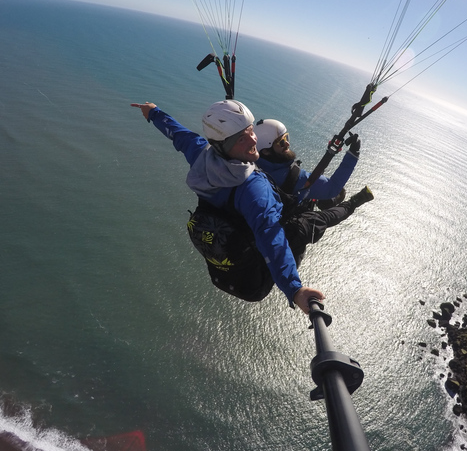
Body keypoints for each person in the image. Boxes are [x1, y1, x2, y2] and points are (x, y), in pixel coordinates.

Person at [130, 100, 328, 314]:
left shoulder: (202, 155)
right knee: (306, 223)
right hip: (255, 282)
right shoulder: (253, 190)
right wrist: (295, 290)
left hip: (224, 269)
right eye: (242, 138)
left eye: (251, 131)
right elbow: (272, 240)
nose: (253, 139)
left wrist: (153, 112)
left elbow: (177, 133)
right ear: (223, 145)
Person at [254, 118, 367, 209]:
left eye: (286, 137)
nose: (287, 143)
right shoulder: (294, 178)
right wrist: (353, 154)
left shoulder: (251, 165)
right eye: (281, 142)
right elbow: (332, 188)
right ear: (266, 151)